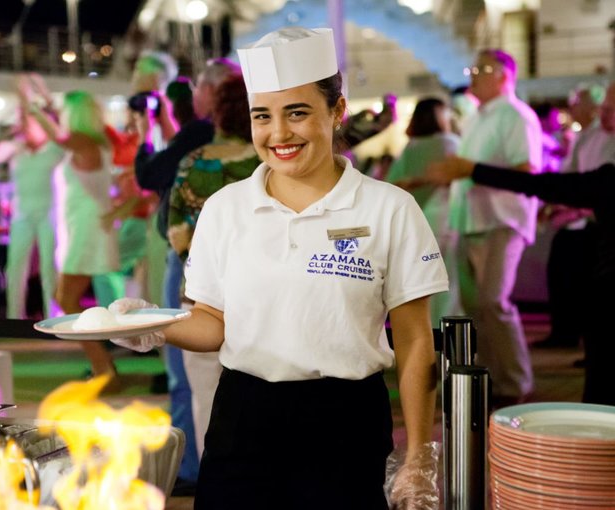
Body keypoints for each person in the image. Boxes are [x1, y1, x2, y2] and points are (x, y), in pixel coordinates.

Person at [112, 27, 446, 508]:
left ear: (336, 112)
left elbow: (416, 341)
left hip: (346, 422)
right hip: (243, 419)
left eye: (297, 113)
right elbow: (212, 323)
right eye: (262, 116)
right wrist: (154, 324)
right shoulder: (226, 208)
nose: (278, 134)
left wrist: (418, 455)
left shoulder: (389, 209)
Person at [420, 156, 614, 406]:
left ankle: (515, 383)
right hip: (605, 297)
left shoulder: (608, 180)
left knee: (602, 394)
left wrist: (474, 169)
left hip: (607, 296)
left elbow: (537, 182)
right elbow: (544, 185)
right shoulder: (606, 180)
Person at [134, 59, 241, 488]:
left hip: (198, 279)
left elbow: (176, 227)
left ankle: (196, 470)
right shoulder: (269, 160)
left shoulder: (199, 156)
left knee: (192, 379)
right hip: (251, 285)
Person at [165, 73, 260, 462]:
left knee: (206, 399)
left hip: (204, 293)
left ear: (218, 113)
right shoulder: (268, 161)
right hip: (263, 297)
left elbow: (178, 236)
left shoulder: (196, 162)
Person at [449, 49, 542, 406]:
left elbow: (527, 170)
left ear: (504, 75)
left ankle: (515, 383)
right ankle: (489, 377)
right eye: (472, 67)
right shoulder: (477, 116)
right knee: (474, 307)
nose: (473, 74)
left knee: (493, 302)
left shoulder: (516, 115)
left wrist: (468, 170)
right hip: (470, 219)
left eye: (481, 69)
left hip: (502, 219)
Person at [30, 90, 120, 380]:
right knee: (68, 298)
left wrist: (35, 111)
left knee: (66, 298)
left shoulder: (85, 141)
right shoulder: (91, 142)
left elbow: (59, 139)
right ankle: (103, 365)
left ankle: (103, 367)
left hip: (88, 231)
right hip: (83, 228)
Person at [538, 82, 610, 349]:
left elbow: (591, 185)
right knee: (563, 279)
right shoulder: (587, 136)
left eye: (577, 102)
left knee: (585, 288)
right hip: (576, 220)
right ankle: (566, 334)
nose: (571, 108)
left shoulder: (602, 137)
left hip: (588, 222)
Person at [0, 74, 62, 320]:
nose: (26, 125)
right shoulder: (16, 149)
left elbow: (62, 132)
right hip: (22, 215)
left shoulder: (53, 150)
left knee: (49, 269)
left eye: (31, 122)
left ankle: (54, 317)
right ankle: (14, 318)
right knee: (15, 268)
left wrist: (44, 96)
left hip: (48, 213)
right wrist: (10, 133)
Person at [386, 97, 462, 325]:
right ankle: (448, 345)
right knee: (447, 288)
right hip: (444, 218)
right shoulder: (450, 143)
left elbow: (391, 183)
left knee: (421, 286)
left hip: (414, 223)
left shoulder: (411, 147)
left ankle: (426, 341)